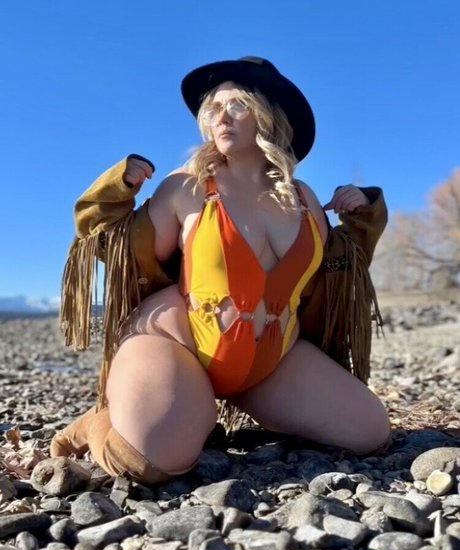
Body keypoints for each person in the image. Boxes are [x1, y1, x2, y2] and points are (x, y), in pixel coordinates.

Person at [51, 57, 391, 484]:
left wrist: (362, 210)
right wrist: (118, 189)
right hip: (179, 343)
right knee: (152, 462)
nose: (221, 117)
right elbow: (118, 250)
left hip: (272, 359)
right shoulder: (187, 185)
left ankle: (202, 409)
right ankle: (98, 423)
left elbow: (340, 269)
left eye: (237, 105)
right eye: (213, 108)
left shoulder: (305, 198)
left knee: (369, 433)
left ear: (269, 116)